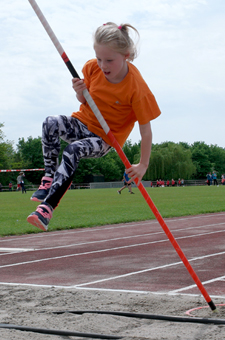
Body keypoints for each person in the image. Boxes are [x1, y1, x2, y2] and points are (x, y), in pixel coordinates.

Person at [27, 22, 161, 231]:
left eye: (109, 60)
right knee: (50, 123)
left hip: (104, 138)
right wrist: (79, 91)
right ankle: (48, 179)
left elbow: (146, 130)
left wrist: (143, 165)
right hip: (82, 123)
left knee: (73, 151)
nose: (103, 65)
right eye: (99, 58)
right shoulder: (92, 68)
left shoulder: (137, 87)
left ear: (126, 55)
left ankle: (47, 208)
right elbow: (84, 100)